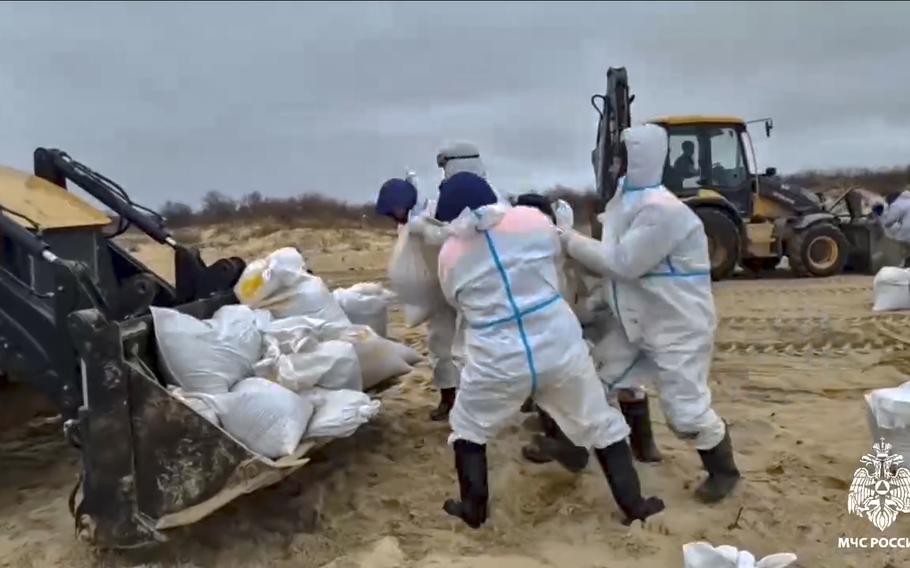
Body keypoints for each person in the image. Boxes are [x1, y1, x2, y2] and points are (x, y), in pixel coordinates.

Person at [435, 172, 665, 529]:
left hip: (498, 359)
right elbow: (558, 251)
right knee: (599, 421)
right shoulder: (530, 221)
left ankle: (474, 511)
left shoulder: (450, 254)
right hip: (557, 347)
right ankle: (635, 505)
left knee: (468, 427)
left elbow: (455, 298)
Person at [557, 123, 740, 504]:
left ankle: (724, 470)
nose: (614, 166)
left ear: (638, 160)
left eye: (621, 157)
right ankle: (579, 451)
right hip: (636, 322)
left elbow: (624, 263)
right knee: (596, 380)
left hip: (678, 327)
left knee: (685, 411)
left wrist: (568, 240)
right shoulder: (625, 204)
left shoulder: (663, 211)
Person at [512, 193, 663, 471]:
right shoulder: (519, 255)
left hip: (599, 321)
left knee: (621, 381)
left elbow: (609, 274)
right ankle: (563, 441)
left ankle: (642, 445)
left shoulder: (572, 246)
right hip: (564, 328)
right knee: (550, 379)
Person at [376, 175, 460, 420]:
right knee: (439, 346)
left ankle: (462, 399)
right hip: (434, 294)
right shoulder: (407, 221)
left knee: (463, 347)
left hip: (451, 287)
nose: (395, 216)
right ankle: (449, 397)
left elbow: (447, 237)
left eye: (396, 209)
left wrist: (423, 227)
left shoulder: (432, 212)